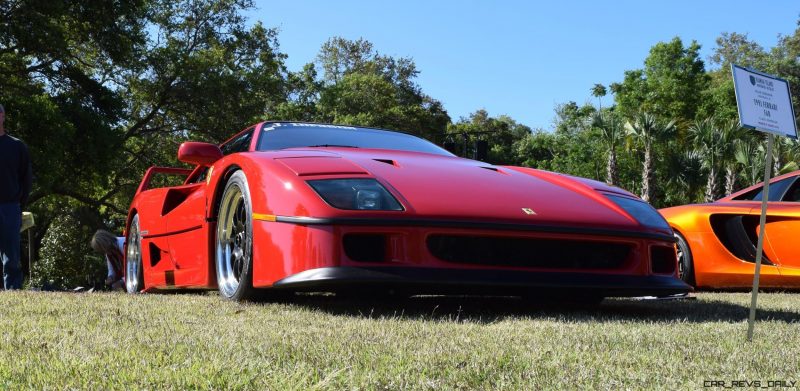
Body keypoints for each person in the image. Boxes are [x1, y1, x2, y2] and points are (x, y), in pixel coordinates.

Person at [0, 103, 33, 290]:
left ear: (3, 116)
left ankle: (12, 292)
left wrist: (20, 204)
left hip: (10, 206)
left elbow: (26, 178)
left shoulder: (17, 146)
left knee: (11, 256)